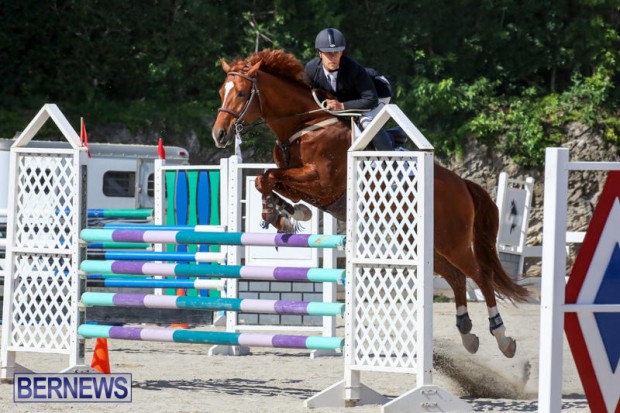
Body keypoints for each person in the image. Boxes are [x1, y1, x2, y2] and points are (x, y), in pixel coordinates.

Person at [303, 28, 395, 151]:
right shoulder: (311, 70)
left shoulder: (354, 69)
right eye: (328, 53)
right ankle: (395, 135)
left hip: (378, 94)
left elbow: (371, 100)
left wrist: (342, 106)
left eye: (337, 52)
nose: (333, 57)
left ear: (342, 52)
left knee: (366, 121)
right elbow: (306, 96)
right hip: (353, 97)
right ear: (320, 53)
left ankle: (391, 158)